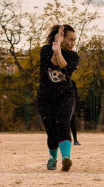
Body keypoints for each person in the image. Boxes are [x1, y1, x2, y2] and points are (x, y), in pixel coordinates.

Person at [37, 25, 79, 172]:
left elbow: (64, 68)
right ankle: (52, 158)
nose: (73, 43)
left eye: (75, 40)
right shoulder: (45, 50)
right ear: (60, 37)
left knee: (63, 123)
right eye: (70, 39)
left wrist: (59, 52)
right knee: (51, 131)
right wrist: (56, 51)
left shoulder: (74, 56)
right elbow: (53, 63)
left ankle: (66, 158)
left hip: (65, 96)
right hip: (45, 97)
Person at [70, 80, 80, 145]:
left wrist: (77, 105)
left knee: (72, 122)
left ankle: (75, 139)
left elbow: (75, 94)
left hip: (70, 104)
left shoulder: (72, 82)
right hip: (63, 105)